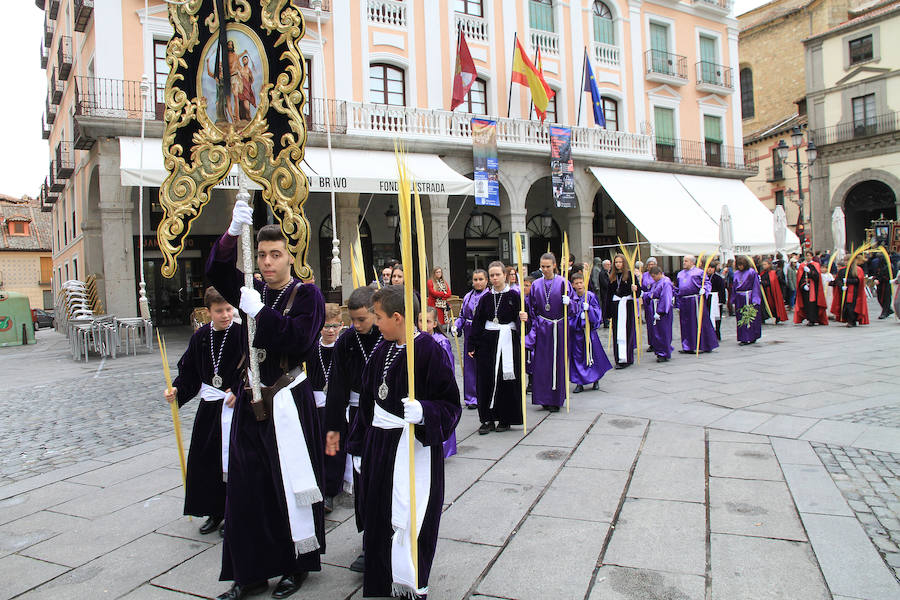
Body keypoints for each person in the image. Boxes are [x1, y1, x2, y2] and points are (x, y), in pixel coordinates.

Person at [207, 201, 326, 600]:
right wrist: (230, 233)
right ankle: (250, 572)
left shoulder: (308, 296)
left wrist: (263, 314)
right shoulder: (250, 289)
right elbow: (216, 273)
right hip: (249, 403)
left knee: (287, 483)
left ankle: (297, 564)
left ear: (291, 256)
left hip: (288, 401)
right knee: (245, 490)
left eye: (276, 254)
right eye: (261, 254)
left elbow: (299, 341)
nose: (268, 262)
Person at [351, 285, 461, 599]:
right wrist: (359, 446)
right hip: (379, 446)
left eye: (379, 316)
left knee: (411, 518)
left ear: (398, 317)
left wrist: (425, 412)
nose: (375, 321)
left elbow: (451, 405)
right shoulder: (381, 347)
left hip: (412, 449)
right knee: (378, 518)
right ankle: (380, 584)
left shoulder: (428, 350)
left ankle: (409, 583)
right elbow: (368, 402)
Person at [164, 287, 244, 538]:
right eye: (219, 311)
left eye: (229, 309)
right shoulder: (200, 338)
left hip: (234, 406)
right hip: (210, 409)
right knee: (208, 461)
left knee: (235, 462)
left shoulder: (242, 334)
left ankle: (235, 513)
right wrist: (176, 390)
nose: (225, 315)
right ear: (208, 312)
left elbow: (254, 367)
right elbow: (188, 371)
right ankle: (214, 511)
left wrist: (240, 389)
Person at [324, 285, 383, 574]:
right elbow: (336, 387)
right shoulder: (346, 341)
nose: (356, 325)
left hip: (386, 416)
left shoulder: (386, 334)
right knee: (362, 483)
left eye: (362, 319)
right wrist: (334, 429)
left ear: (375, 313)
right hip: (359, 415)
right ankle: (368, 541)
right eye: (353, 319)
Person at [469, 261, 524, 433]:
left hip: (508, 341)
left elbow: (523, 323)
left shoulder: (515, 297)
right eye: (491, 275)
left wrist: (523, 318)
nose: (494, 278)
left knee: (505, 380)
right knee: (485, 380)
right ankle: (487, 419)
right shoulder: (485, 298)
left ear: (505, 275)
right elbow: (477, 322)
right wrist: (473, 344)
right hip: (488, 344)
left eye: (497, 275)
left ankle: (505, 418)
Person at [305, 303, 344, 514]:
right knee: (316, 447)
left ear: (341, 325)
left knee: (333, 448)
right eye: (326, 326)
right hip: (315, 405)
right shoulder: (312, 348)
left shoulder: (343, 347)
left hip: (336, 407)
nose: (330, 330)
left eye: (334, 326)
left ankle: (330, 491)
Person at [526, 253, 572, 411]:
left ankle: (556, 399)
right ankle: (543, 397)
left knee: (557, 363)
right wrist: (531, 321)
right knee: (542, 364)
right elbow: (532, 307)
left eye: (547, 266)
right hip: (542, 327)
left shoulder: (563, 283)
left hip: (558, 326)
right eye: (542, 267)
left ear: (554, 265)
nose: (545, 269)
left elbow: (573, 309)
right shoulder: (536, 284)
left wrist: (569, 303)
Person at [420, 305, 458, 456]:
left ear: (435, 323)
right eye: (420, 321)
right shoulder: (418, 340)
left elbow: (448, 366)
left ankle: (444, 448)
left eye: (427, 321)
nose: (423, 325)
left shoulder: (441, 341)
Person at [568, 272, 612, 391]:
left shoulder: (590, 296)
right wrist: (578, 317)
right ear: (573, 285)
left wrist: (590, 311)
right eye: (576, 283)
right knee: (577, 356)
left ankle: (595, 379)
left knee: (593, 355)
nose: (579, 285)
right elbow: (569, 316)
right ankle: (579, 382)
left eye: (581, 282)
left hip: (589, 332)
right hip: (577, 332)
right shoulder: (572, 298)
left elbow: (597, 313)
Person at [452, 269, 488, 409]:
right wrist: (456, 325)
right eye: (475, 280)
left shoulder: (490, 296)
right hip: (469, 333)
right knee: (469, 366)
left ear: (486, 280)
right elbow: (462, 316)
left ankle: (484, 395)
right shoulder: (467, 296)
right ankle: (471, 398)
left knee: (483, 365)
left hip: (484, 334)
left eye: (480, 279)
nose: (478, 282)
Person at [675, 255, 719, 354]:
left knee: (697, 322)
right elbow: (677, 288)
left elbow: (707, 283)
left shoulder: (699, 272)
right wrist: (677, 302)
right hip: (684, 300)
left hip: (695, 300)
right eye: (683, 261)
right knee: (685, 324)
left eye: (686, 261)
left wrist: (704, 290)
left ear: (692, 262)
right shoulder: (680, 274)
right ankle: (687, 345)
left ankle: (701, 344)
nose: (684, 263)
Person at [607, 254, 638, 368]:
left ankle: (628, 358)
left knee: (628, 331)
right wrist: (608, 312)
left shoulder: (630, 275)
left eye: (620, 262)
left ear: (624, 263)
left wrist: (635, 289)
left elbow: (638, 293)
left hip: (627, 306)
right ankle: (619, 359)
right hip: (616, 307)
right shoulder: (612, 276)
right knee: (617, 333)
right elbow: (608, 295)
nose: (618, 264)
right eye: (616, 262)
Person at [731, 256, 762, 345]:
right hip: (739, 298)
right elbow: (734, 286)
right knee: (740, 317)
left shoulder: (751, 272)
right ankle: (743, 337)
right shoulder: (736, 273)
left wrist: (755, 298)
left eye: (742, 265)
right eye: (739, 265)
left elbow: (755, 285)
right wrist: (733, 298)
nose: (740, 267)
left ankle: (752, 336)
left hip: (748, 296)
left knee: (750, 317)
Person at [645, 267, 674, 362]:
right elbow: (652, 294)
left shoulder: (666, 282)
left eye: (654, 276)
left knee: (663, 331)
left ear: (659, 274)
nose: (653, 279)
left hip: (662, 311)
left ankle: (664, 352)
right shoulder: (657, 282)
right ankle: (659, 351)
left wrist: (660, 311)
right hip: (656, 307)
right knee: (657, 331)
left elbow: (666, 297)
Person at [794, 256, 828, 326]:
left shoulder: (816, 265)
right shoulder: (802, 266)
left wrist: (810, 272)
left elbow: (817, 277)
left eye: (809, 255)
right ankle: (809, 318)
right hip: (806, 289)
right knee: (807, 304)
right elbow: (800, 278)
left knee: (813, 304)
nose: (808, 257)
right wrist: (803, 285)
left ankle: (814, 319)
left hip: (814, 289)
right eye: (807, 255)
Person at [838, 256, 870, 327]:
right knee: (846, 306)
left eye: (847, 260)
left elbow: (858, 280)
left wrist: (848, 281)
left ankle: (852, 320)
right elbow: (838, 280)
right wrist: (841, 286)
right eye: (845, 261)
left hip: (854, 292)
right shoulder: (843, 270)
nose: (846, 262)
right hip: (845, 291)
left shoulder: (857, 270)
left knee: (852, 306)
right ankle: (848, 319)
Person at [759, 260, 788, 324]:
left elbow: (770, 282)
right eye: (763, 264)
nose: (764, 266)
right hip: (764, 292)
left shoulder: (772, 273)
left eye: (765, 264)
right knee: (763, 306)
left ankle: (777, 317)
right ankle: (763, 317)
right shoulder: (762, 273)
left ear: (769, 265)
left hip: (771, 292)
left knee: (773, 305)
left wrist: (762, 282)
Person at [641, 257, 658, 350]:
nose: (651, 266)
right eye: (649, 264)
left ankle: (659, 341)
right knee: (650, 323)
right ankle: (651, 342)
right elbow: (642, 287)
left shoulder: (660, 274)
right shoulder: (645, 275)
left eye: (653, 264)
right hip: (648, 302)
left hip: (656, 302)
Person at [707, 261, 726, 340]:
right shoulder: (704, 278)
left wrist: (721, 301)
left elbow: (722, 289)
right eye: (708, 268)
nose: (709, 270)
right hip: (708, 298)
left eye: (711, 268)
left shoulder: (718, 278)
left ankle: (717, 333)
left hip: (716, 299)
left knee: (717, 317)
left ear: (714, 269)